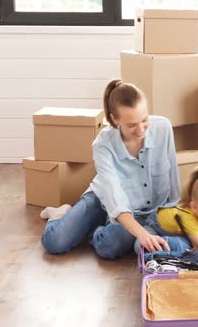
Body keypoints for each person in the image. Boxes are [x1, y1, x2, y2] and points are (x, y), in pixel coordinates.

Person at [40, 79, 180, 259]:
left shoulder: (163, 128)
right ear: (115, 119)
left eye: (144, 120)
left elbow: (173, 180)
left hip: (147, 211)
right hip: (103, 200)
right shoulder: (102, 144)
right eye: (131, 125)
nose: (140, 129)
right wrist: (142, 234)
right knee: (55, 241)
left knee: (113, 244)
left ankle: (99, 229)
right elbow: (115, 199)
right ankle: (60, 214)